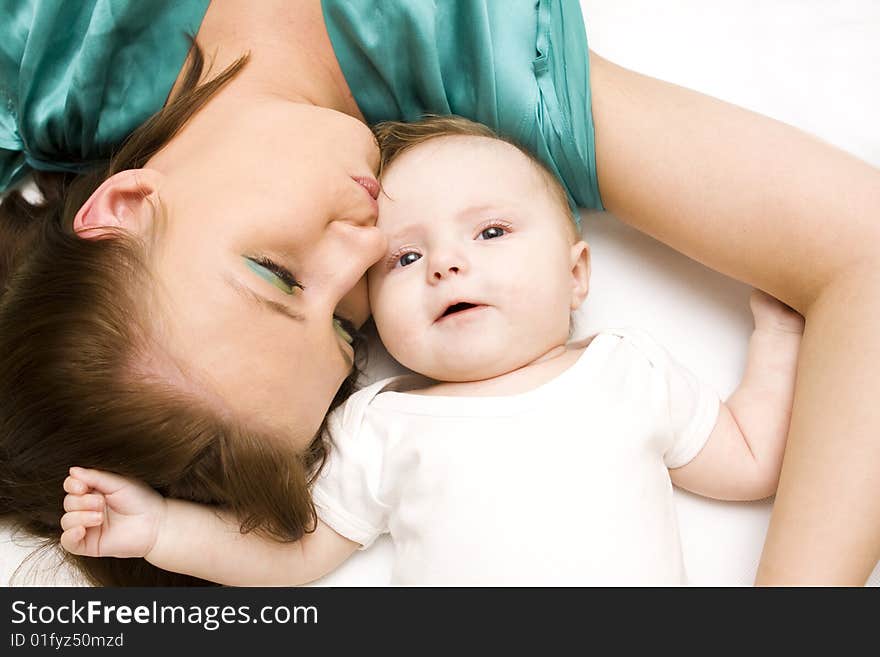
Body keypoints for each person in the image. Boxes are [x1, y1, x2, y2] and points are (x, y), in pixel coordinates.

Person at [1, 1, 878, 586]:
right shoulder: (500, 91)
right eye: (351, 323)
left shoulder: (39, 60)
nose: (370, 247)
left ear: (122, 208)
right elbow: (862, 251)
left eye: (276, 273)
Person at [59, 117, 806, 585]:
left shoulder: (628, 369)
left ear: (576, 273)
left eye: (490, 233)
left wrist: (778, 338)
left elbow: (746, 458)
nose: (448, 264)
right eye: (406, 259)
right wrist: (164, 530)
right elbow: (295, 558)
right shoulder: (383, 424)